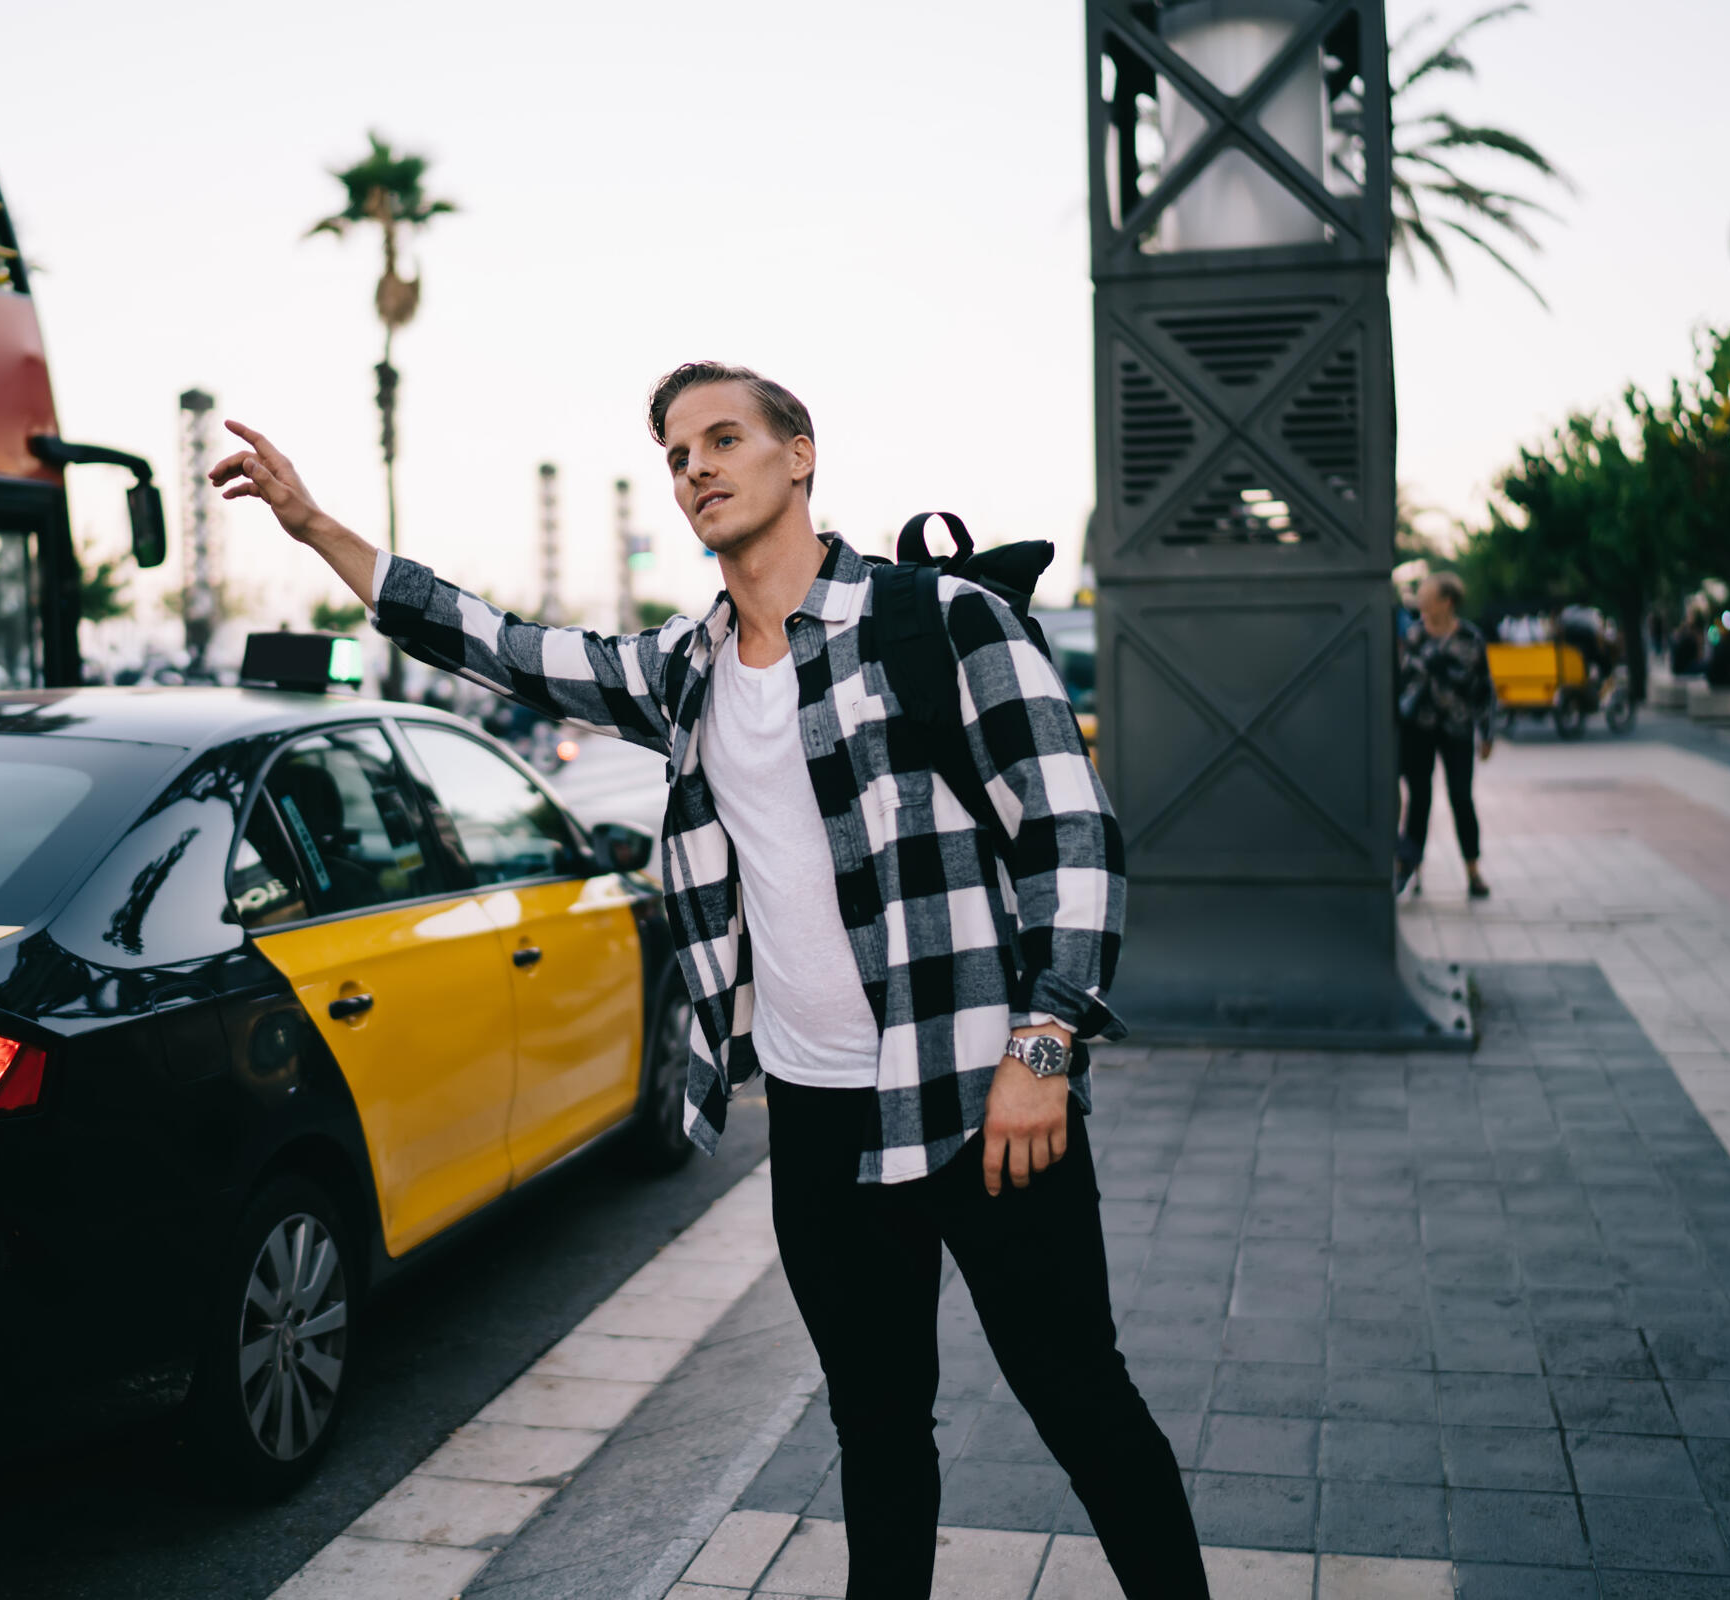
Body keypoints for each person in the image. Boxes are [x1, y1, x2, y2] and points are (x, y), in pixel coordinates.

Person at [208, 363, 1208, 1600]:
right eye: (679, 454)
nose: (697, 469)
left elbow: (1074, 835)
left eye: (724, 438)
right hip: (819, 1115)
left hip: (981, 1094)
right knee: (877, 1435)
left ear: (800, 454)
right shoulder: (685, 669)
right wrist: (316, 529)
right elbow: (501, 646)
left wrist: (1043, 1045)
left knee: (1081, 1403)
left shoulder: (941, 623)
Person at [1396, 572, 1495, 898]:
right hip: (1418, 729)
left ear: (1446, 601)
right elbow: (1400, 683)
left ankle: (1473, 871)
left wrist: (1487, 732)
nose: (1422, 601)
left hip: (1457, 728)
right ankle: (1410, 868)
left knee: (1461, 798)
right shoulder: (1413, 636)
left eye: (1428, 596)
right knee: (1418, 799)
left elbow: (1484, 689)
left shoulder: (1469, 638)